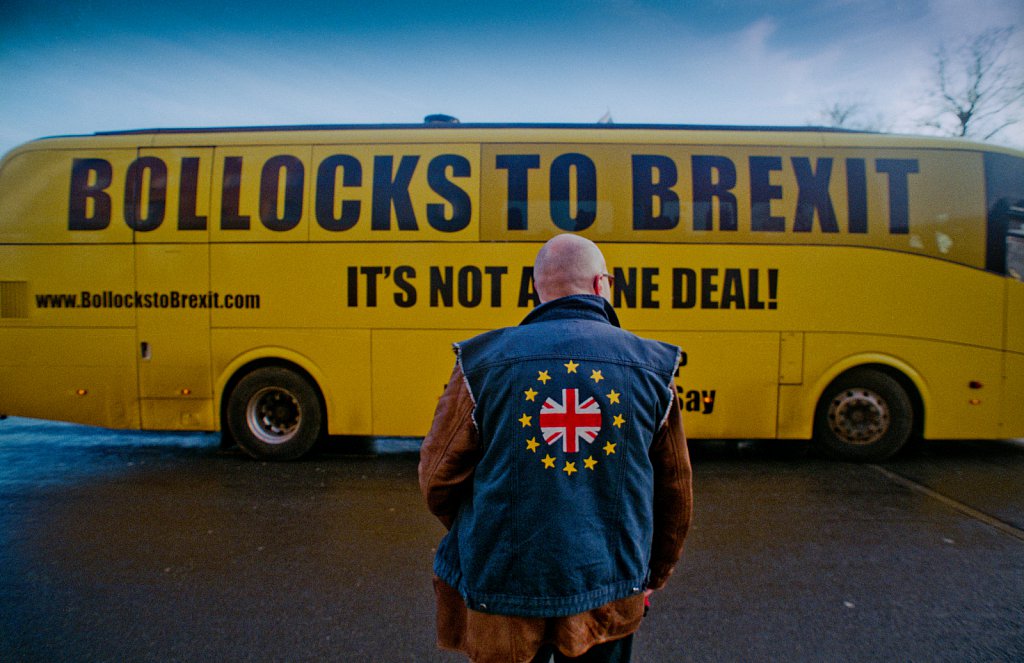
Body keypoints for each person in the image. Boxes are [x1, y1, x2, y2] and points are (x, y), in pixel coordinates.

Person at [419, 233, 693, 663]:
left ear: (538, 289)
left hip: (502, 583)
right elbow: (674, 489)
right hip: (608, 585)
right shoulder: (652, 368)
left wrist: (483, 526)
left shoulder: (481, 362)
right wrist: (653, 572)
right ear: (602, 285)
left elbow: (437, 478)